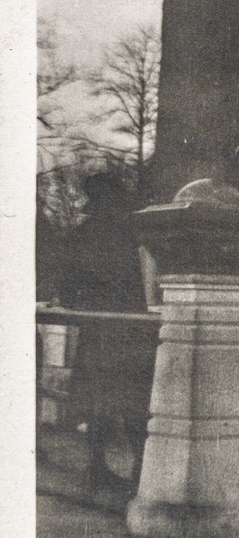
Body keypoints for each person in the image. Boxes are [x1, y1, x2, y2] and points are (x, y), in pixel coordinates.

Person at [58, 172, 157, 493]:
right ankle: (136, 472)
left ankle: (102, 469)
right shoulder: (126, 236)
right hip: (125, 332)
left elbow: (68, 292)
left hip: (103, 332)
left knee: (102, 402)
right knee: (131, 402)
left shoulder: (88, 235)